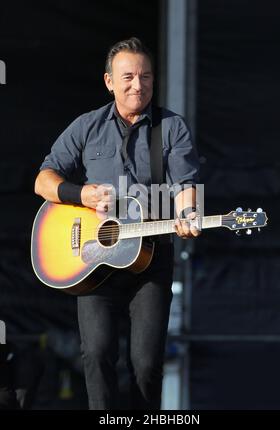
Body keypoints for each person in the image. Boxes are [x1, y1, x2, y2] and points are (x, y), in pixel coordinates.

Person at [34, 37, 201, 410]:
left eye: (145, 77)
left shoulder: (171, 128)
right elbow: (42, 181)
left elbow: (185, 186)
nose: (137, 85)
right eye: (127, 77)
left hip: (150, 260)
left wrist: (189, 215)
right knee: (96, 354)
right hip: (94, 259)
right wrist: (82, 195)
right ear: (109, 81)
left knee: (145, 365)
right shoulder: (86, 126)